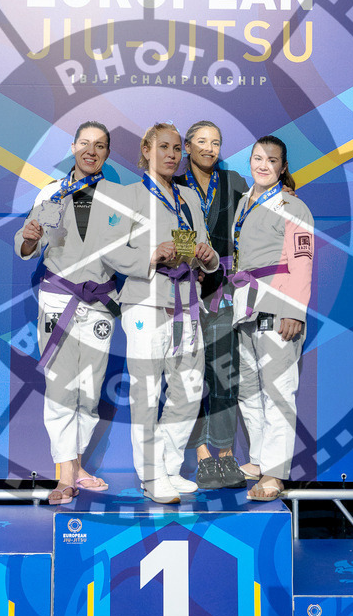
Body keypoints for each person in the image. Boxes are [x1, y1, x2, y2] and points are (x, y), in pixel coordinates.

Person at [14, 121, 128, 505]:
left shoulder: (118, 197)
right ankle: (63, 475)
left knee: (90, 389)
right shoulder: (52, 193)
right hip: (59, 298)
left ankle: (77, 466)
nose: (91, 150)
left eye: (100, 145)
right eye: (84, 143)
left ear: (107, 154)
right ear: (73, 147)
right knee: (61, 386)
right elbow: (29, 244)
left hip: (99, 300)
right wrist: (29, 238)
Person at [113, 123, 219, 504]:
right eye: (163, 147)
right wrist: (151, 255)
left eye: (177, 148)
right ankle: (151, 476)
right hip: (145, 300)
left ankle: (170, 468)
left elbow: (206, 251)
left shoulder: (189, 198)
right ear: (146, 149)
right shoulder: (128, 196)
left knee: (189, 390)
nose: (172, 155)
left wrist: (209, 258)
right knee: (146, 392)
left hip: (188, 303)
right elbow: (110, 252)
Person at [231, 135, 314, 501]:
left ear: (282, 167)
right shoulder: (243, 204)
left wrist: (294, 310)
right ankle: (260, 459)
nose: (262, 165)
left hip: (279, 305)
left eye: (271, 160)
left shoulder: (293, 206)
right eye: (257, 158)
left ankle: (275, 474)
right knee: (248, 388)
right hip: (245, 306)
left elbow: (303, 262)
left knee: (278, 390)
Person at [177, 121, 248, 490]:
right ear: (187, 147)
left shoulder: (234, 181)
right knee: (191, 378)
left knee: (223, 372)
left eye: (216, 142)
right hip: (185, 289)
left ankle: (225, 454)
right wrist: (191, 268)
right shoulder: (175, 186)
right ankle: (202, 457)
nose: (209, 147)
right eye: (202, 141)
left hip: (224, 290)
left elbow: (250, 224)